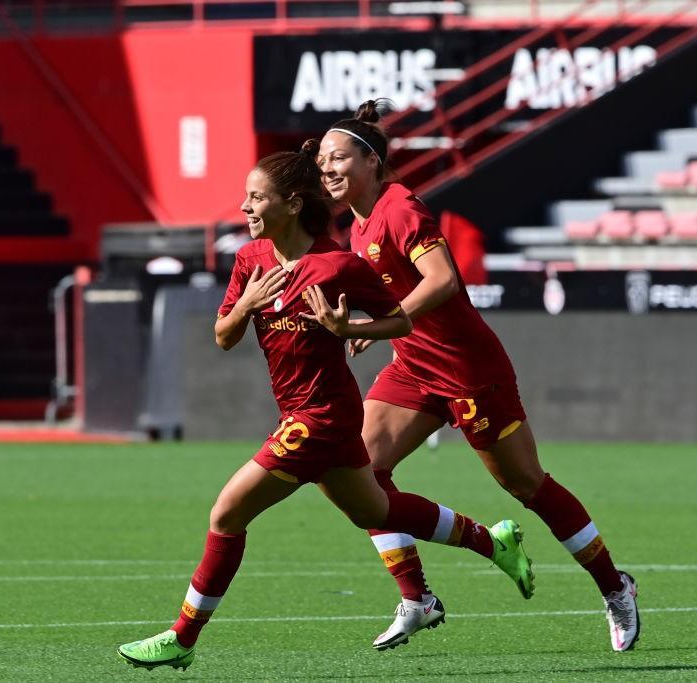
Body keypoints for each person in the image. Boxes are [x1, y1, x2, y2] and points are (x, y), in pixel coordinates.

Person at [117, 146, 534, 671]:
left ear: (291, 204)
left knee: (226, 513)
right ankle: (491, 542)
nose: (244, 208)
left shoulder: (339, 265)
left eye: (255, 197)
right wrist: (245, 305)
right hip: (300, 412)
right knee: (376, 511)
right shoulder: (252, 260)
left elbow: (400, 322)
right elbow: (223, 337)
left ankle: (182, 637)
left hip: (321, 419)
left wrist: (347, 329)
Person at [315, 100, 640, 653]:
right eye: (321, 161)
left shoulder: (400, 208)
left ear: (371, 161)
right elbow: (403, 291)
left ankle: (615, 586)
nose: (327, 169)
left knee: (526, 485)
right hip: (415, 368)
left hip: (469, 373)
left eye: (337, 158)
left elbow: (442, 279)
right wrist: (376, 324)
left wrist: (390, 320)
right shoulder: (359, 223)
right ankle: (417, 598)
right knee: (357, 472)